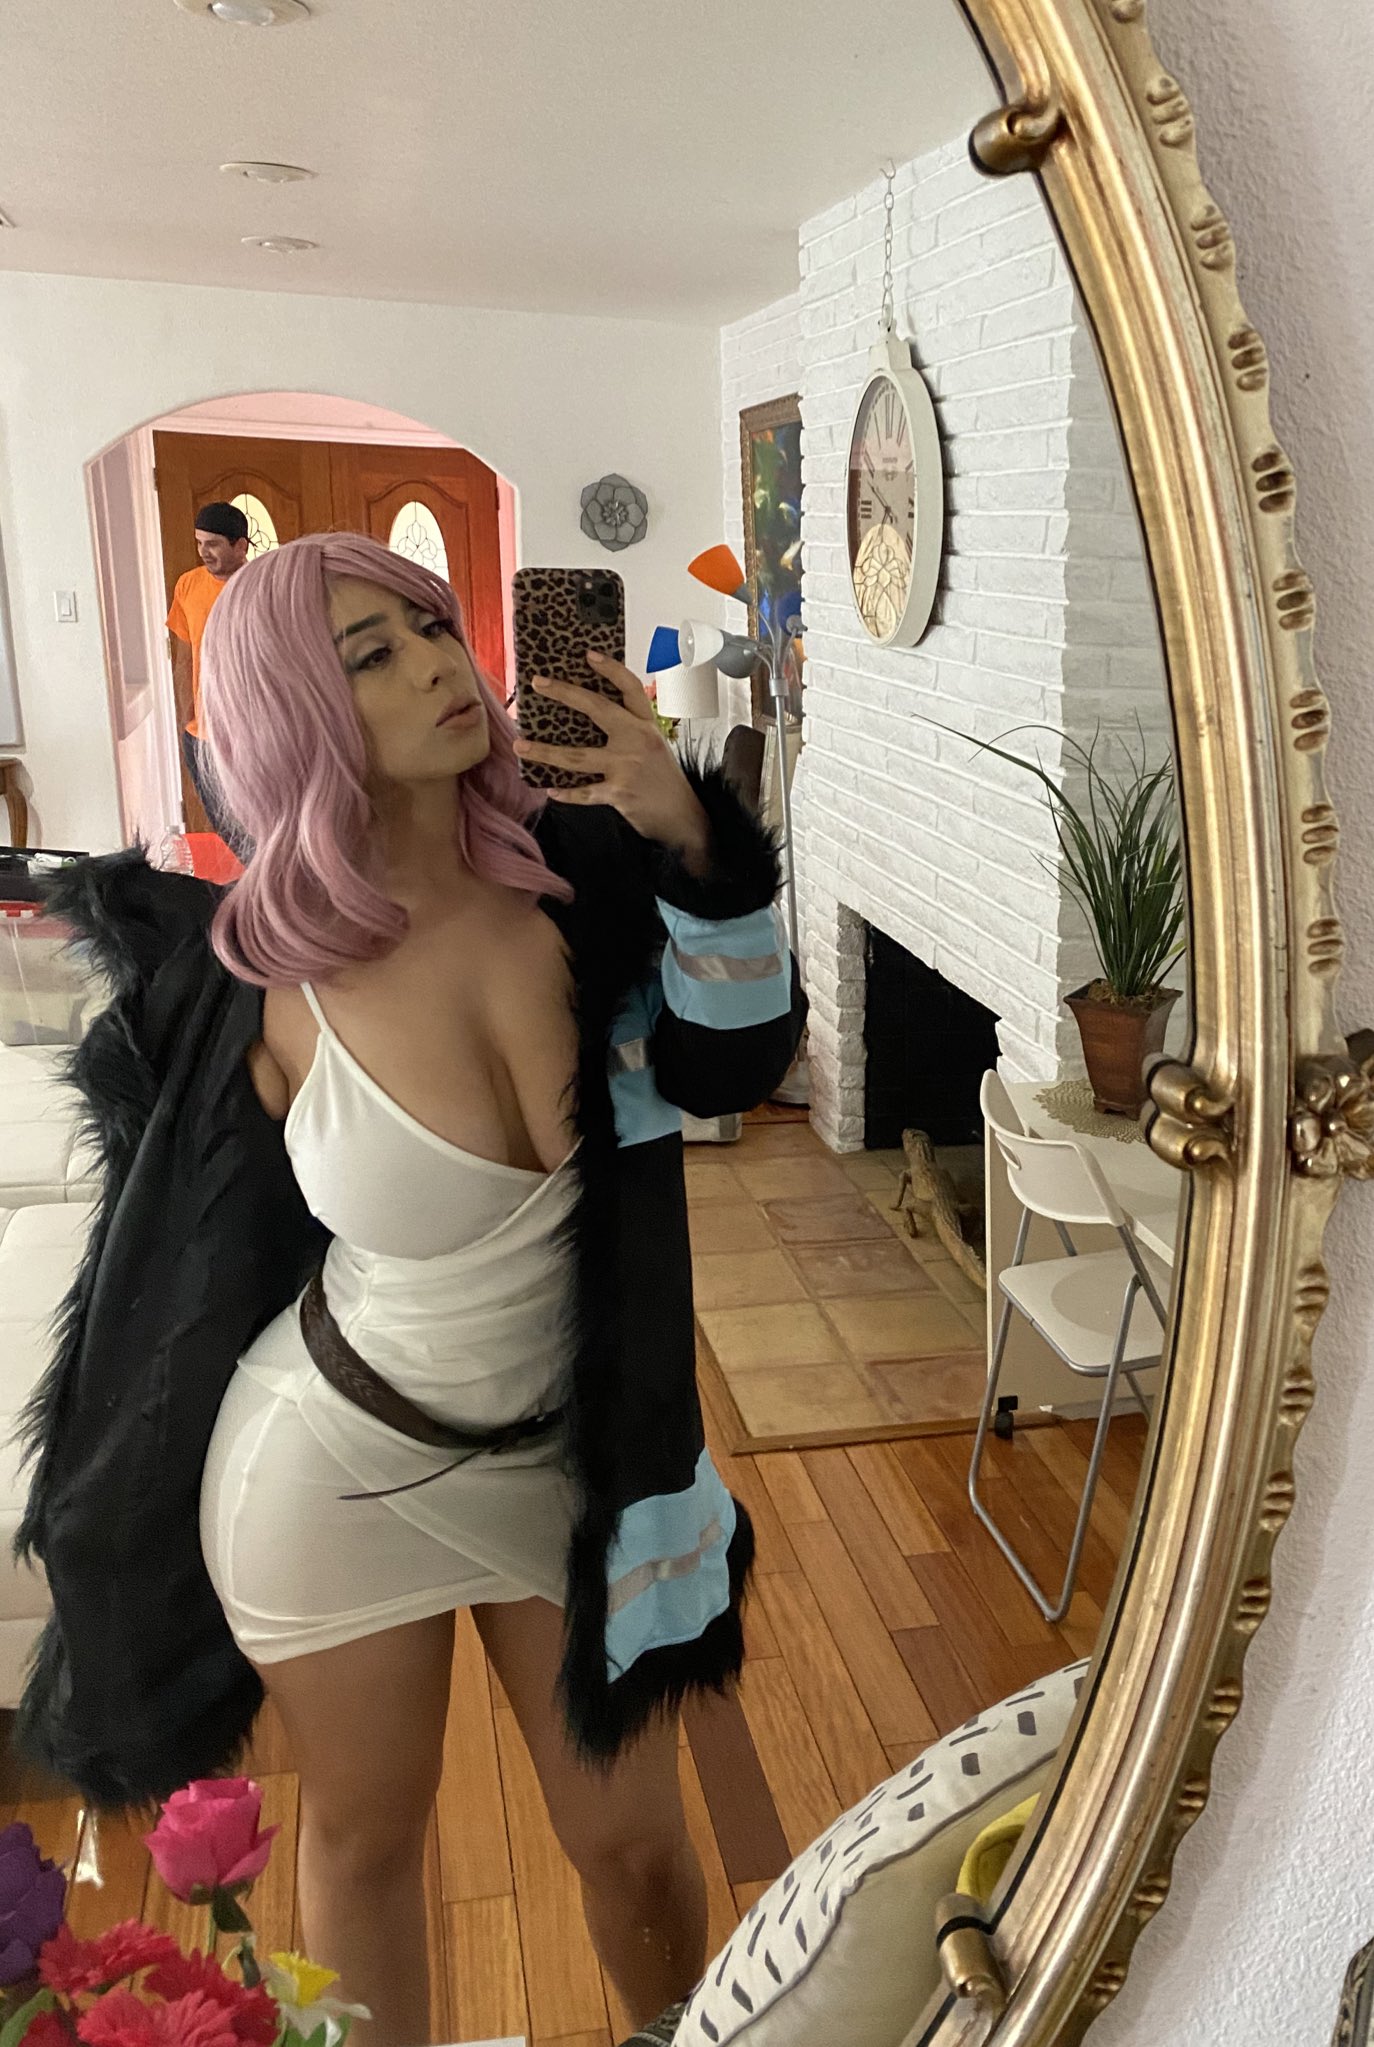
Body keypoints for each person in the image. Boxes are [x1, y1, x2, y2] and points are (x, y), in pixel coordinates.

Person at [16, 533, 805, 2046]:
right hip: (333, 1469)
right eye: (371, 653)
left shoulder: (584, 882)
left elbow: (733, 1067)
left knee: (637, 1845)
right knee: (369, 1836)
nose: (441, 665)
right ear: (293, 710)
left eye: (433, 627)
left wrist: (696, 846)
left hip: (574, 1467)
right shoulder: (260, 973)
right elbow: (175, 1265)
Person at [166, 501, 250, 842]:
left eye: (213, 544)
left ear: (240, 546)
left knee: (260, 823)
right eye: (199, 543)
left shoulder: (261, 585)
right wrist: (183, 719)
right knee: (226, 829)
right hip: (202, 734)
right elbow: (184, 656)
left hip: (251, 732)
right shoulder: (188, 585)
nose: (203, 552)